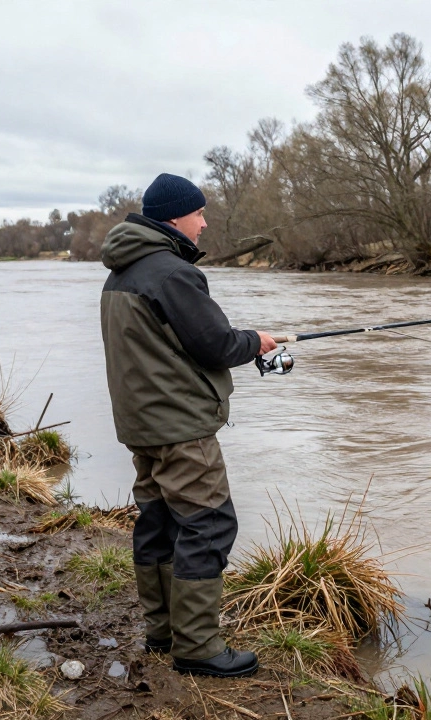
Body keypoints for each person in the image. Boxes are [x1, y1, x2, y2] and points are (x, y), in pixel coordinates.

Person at [99, 173, 276, 678]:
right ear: (175, 217)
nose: (204, 222)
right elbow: (216, 344)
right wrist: (256, 340)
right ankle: (197, 646)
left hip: (141, 424)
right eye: (199, 213)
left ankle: (163, 632)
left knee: (158, 522)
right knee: (208, 523)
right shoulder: (170, 272)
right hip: (180, 426)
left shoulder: (122, 271)